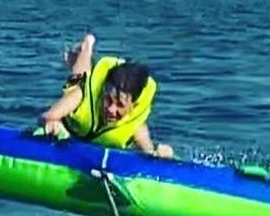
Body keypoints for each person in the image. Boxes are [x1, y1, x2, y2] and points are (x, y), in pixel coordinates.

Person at [39, 33, 174, 157]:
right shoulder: (79, 96)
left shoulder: (136, 125)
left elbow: (149, 153)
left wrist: (161, 154)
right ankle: (87, 47)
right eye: (108, 99)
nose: (111, 109)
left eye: (120, 105)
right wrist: (54, 123)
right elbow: (47, 116)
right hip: (80, 92)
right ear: (103, 90)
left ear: (133, 105)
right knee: (78, 76)